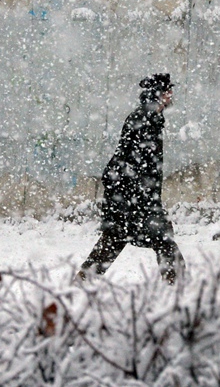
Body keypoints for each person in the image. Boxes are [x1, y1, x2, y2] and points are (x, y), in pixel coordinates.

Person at [77, 73, 185, 284]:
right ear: (159, 94)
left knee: (115, 240)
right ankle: (178, 286)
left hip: (132, 196)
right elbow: (133, 162)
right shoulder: (144, 119)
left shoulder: (149, 117)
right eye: (168, 91)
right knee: (159, 240)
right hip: (131, 196)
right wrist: (139, 198)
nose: (171, 95)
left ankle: (82, 281)